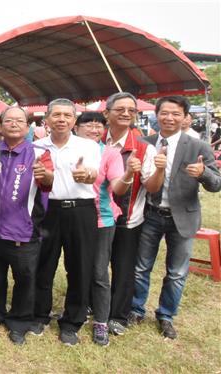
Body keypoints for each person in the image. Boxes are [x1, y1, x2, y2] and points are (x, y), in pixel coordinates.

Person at [131, 96, 221, 339]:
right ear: (156, 115)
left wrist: (203, 174)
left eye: (176, 114)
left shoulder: (198, 147)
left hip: (183, 217)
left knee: (177, 272)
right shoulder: (144, 142)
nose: (169, 118)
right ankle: (136, 309)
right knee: (140, 267)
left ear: (184, 117)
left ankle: (166, 315)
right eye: (165, 113)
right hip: (150, 214)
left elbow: (216, 184)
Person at [32, 98, 101, 346]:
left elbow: (93, 173)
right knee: (44, 265)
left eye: (67, 115)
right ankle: (39, 314)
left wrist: (87, 174)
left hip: (80, 211)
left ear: (74, 120)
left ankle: (72, 322)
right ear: (47, 119)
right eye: (56, 115)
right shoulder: (37, 146)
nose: (61, 119)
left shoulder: (88, 146)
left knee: (80, 267)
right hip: (48, 211)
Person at [0, 106, 53, 345]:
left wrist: (45, 176)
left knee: (24, 279)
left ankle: (20, 321)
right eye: (8, 120)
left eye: (19, 120)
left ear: (27, 126)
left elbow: (48, 182)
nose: (13, 124)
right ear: (0, 126)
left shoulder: (39, 153)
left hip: (24, 230)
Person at [73, 110, 134, 346]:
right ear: (76, 127)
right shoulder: (68, 149)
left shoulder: (109, 154)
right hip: (72, 218)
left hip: (101, 219)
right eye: (88, 124)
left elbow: (118, 186)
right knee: (76, 268)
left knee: (99, 273)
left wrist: (128, 174)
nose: (94, 129)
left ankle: (101, 321)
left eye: (99, 125)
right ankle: (77, 312)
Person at [99, 93, 157, 338]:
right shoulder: (94, 141)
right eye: (119, 109)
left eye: (131, 110)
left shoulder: (144, 148)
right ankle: (96, 305)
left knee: (123, 268)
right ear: (106, 113)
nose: (125, 113)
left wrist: (161, 169)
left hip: (128, 219)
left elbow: (152, 186)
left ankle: (117, 315)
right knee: (97, 267)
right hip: (99, 217)